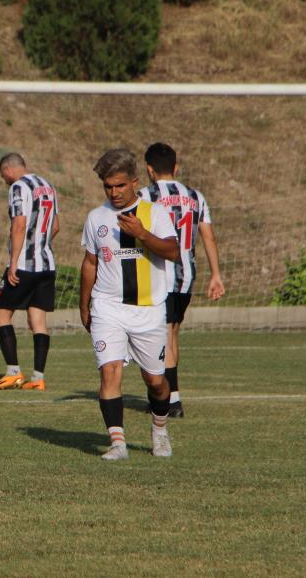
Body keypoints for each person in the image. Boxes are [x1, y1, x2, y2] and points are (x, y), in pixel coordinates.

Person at [79, 148, 180, 461]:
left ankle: (160, 430)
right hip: (108, 308)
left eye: (120, 185)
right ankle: (118, 443)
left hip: (149, 311)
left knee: (156, 382)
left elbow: (173, 252)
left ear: (135, 182)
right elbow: (90, 263)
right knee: (109, 373)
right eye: (108, 186)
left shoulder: (156, 213)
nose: (114, 192)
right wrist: (84, 305)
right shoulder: (96, 218)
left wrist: (142, 234)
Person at [140, 143, 225, 417]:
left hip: (158, 276)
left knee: (163, 336)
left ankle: (171, 401)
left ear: (149, 170)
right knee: (172, 333)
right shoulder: (195, 196)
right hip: (186, 276)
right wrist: (216, 275)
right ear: (176, 168)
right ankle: (169, 395)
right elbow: (208, 236)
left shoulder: (145, 195)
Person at [0, 153, 60, 391]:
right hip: (47, 264)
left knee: (0, 316)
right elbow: (56, 225)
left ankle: (13, 373)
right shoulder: (47, 185)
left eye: (2, 175)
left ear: (7, 169)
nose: (4, 180)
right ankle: (38, 378)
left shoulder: (18, 187)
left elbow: (19, 225)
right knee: (37, 320)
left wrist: (14, 262)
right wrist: (40, 245)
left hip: (26, 266)